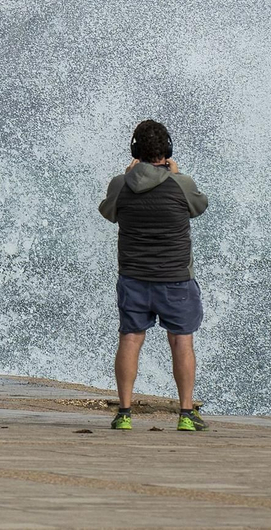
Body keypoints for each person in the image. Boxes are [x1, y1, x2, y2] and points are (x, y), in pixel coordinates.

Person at [98, 118, 211, 432]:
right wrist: (176, 176)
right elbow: (199, 207)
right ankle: (186, 414)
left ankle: (124, 413)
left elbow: (108, 212)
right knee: (182, 343)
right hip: (176, 278)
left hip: (134, 277)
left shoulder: (121, 184)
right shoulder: (182, 183)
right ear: (168, 151)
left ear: (136, 150)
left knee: (131, 340)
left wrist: (126, 176)